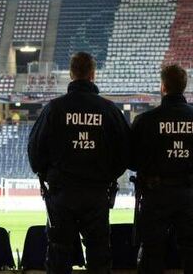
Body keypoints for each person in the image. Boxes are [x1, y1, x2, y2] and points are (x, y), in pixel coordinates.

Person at [28, 52, 130, 274]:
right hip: (97, 193)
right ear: (93, 75)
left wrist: (49, 175)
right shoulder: (109, 110)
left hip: (62, 193)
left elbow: (35, 152)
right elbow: (125, 153)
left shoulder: (54, 109)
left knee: (58, 255)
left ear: (70, 74)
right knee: (99, 255)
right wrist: (108, 175)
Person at [130, 64, 193, 274]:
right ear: (184, 87)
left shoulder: (146, 121)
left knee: (151, 253)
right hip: (188, 194)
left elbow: (131, 159)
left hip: (154, 196)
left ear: (163, 87)